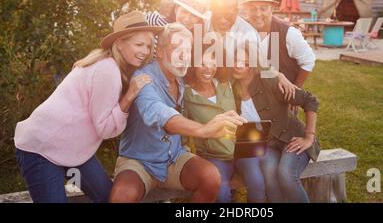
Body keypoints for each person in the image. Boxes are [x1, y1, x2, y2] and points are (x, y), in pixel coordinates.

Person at [14, 11, 161, 203]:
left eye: (148, 46)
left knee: (110, 198)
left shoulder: (108, 64)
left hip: (73, 152)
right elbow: (106, 129)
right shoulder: (108, 70)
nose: (144, 51)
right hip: (43, 150)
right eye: (139, 44)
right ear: (120, 43)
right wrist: (129, 95)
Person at [109, 23, 247, 203]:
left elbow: (221, 69)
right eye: (176, 48)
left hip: (174, 157)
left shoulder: (180, 79)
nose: (183, 55)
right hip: (139, 161)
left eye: (188, 50)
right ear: (159, 52)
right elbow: (159, 113)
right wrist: (203, 130)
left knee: (210, 176)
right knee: (122, 196)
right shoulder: (143, 78)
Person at [232, 40, 320, 203]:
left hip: (293, 139)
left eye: (244, 62)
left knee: (286, 174)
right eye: (235, 60)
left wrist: (309, 137)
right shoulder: (232, 87)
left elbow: (310, 100)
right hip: (267, 144)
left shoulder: (269, 81)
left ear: (252, 64)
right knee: (269, 175)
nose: (237, 66)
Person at [183, 49, 266, 203]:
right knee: (221, 195)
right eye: (202, 63)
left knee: (257, 183)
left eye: (213, 63)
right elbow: (182, 127)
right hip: (214, 156)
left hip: (242, 150)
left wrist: (280, 76)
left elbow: (256, 68)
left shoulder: (226, 83)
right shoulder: (187, 96)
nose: (209, 68)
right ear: (193, 65)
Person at [243, 0, 316, 87]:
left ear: (272, 8)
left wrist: (295, 90)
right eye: (252, 9)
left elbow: (308, 60)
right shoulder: (241, 30)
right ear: (246, 10)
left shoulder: (288, 33)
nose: (258, 14)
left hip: (280, 99)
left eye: (263, 8)